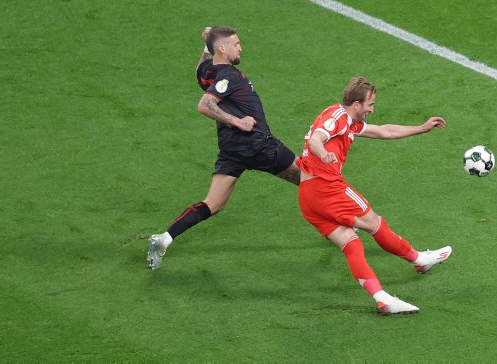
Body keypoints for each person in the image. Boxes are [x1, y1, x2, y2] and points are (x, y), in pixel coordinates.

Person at [146, 26, 301, 270]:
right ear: (222, 48)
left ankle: (164, 239)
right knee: (309, 176)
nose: (240, 48)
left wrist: (206, 45)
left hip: (232, 151)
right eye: (236, 44)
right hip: (258, 145)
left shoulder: (210, 72)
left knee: (213, 204)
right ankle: (342, 224)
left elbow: (199, 73)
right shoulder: (230, 76)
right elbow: (205, 104)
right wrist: (237, 121)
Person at [297, 77, 450, 315]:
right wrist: (324, 154)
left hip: (308, 198)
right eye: (370, 104)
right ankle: (419, 259)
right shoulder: (338, 118)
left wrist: (421, 128)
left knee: (351, 243)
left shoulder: (348, 121)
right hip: (327, 187)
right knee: (375, 223)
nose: (372, 110)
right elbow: (317, 139)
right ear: (356, 104)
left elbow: (383, 131)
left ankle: (382, 299)